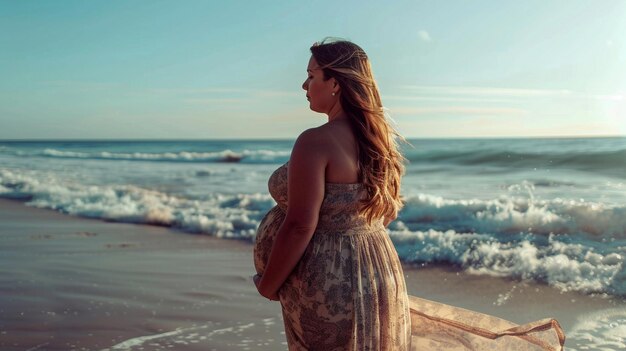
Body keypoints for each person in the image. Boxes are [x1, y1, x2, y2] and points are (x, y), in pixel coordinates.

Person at [253, 38, 565, 351]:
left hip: (328, 281)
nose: (304, 84)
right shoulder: (379, 143)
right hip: (377, 271)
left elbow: (299, 226)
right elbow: (383, 213)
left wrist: (269, 284)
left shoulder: (315, 141)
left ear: (335, 83)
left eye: (311, 75)